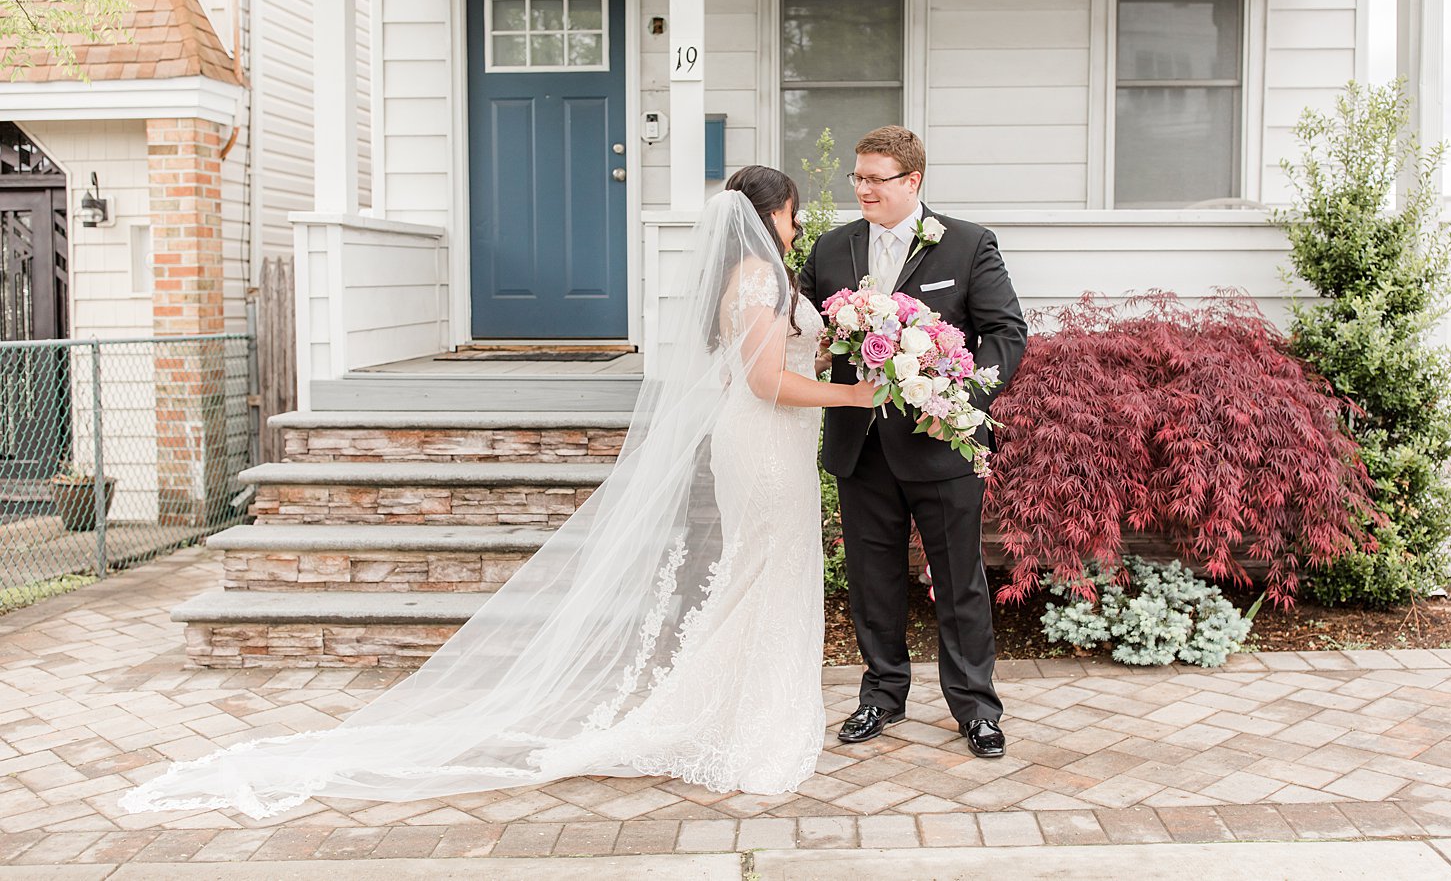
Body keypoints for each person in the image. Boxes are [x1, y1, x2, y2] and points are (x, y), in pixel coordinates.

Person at [121, 166, 876, 820]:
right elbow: (766, 380)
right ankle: (737, 714)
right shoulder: (757, 278)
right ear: (764, 213)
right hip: (765, 445)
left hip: (763, 444)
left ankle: (744, 702)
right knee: (763, 573)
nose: (796, 223)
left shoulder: (752, 278)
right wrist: (856, 394)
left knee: (760, 576)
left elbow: (760, 363)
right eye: (791, 211)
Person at [801, 126, 1027, 759]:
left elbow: (1006, 332)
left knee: (959, 581)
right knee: (873, 578)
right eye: (859, 177)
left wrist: (961, 403)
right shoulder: (833, 247)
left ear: (913, 181)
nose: (865, 189)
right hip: (859, 442)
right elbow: (804, 330)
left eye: (877, 178)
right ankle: (881, 694)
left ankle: (976, 708)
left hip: (939, 442)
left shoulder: (967, 245)